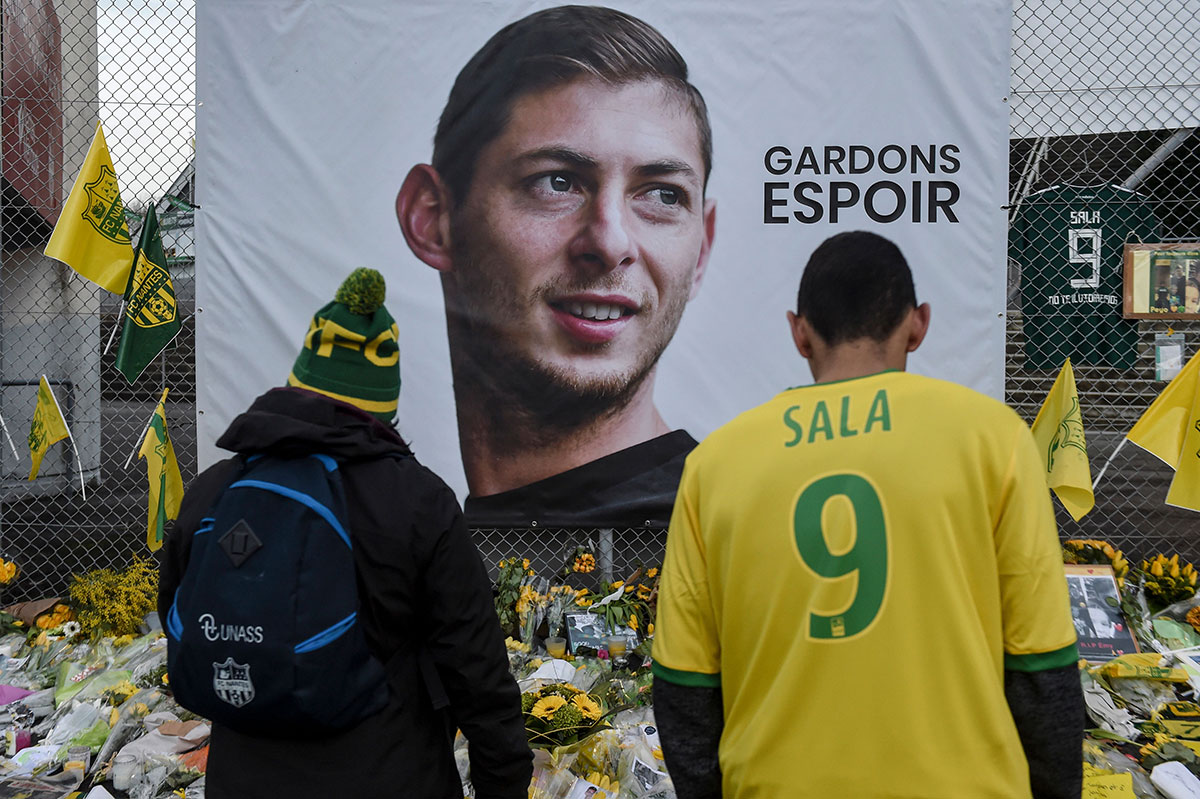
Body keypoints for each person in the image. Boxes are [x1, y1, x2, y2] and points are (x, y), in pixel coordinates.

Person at [651, 231, 1085, 798]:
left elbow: (685, 686)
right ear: (918, 323)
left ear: (799, 333)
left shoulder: (715, 464)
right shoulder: (992, 438)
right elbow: (1041, 666)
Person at [158, 269, 532, 799]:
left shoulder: (217, 489)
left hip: (244, 776)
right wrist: (505, 783)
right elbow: (474, 666)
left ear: (299, 382)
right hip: (387, 772)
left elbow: (179, 616)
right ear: (383, 406)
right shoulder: (418, 501)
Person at [396, 5, 716, 528]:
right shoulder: (365, 546)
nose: (610, 242)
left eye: (662, 194)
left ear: (702, 248)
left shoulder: (744, 545)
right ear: (432, 219)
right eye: (557, 183)